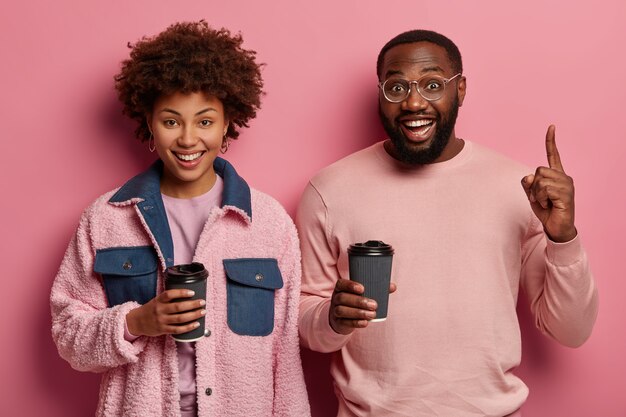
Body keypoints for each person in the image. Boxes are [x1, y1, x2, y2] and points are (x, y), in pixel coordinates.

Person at [296, 29, 598, 417]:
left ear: (461, 90)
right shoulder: (328, 191)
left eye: (433, 84)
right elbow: (306, 320)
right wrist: (331, 318)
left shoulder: (518, 189)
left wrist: (563, 237)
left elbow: (572, 331)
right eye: (396, 87)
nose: (414, 102)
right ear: (380, 93)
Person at [51, 21, 310, 417]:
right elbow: (68, 336)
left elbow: (285, 358)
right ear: (149, 125)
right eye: (171, 121)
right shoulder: (106, 218)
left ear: (228, 125)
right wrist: (136, 321)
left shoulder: (268, 222)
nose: (188, 139)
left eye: (204, 121)